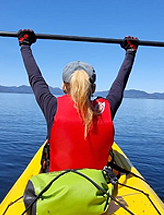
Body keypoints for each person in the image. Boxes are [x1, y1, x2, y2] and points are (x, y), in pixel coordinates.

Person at [18, 29, 138, 172]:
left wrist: (25, 44)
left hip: (57, 185)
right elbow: (120, 83)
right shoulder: (107, 107)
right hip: (98, 186)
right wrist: (131, 51)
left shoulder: (52, 106)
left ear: (63, 86)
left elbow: (35, 78)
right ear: (93, 88)